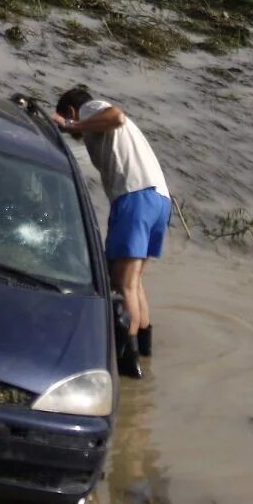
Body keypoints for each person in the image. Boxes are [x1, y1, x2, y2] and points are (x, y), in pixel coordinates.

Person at [53, 86, 171, 378]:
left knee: (122, 285)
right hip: (159, 199)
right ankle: (144, 355)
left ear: (71, 109)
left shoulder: (91, 109)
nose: (75, 134)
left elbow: (116, 116)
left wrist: (73, 124)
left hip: (135, 198)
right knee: (135, 283)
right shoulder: (106, 127)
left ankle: (127, 369)